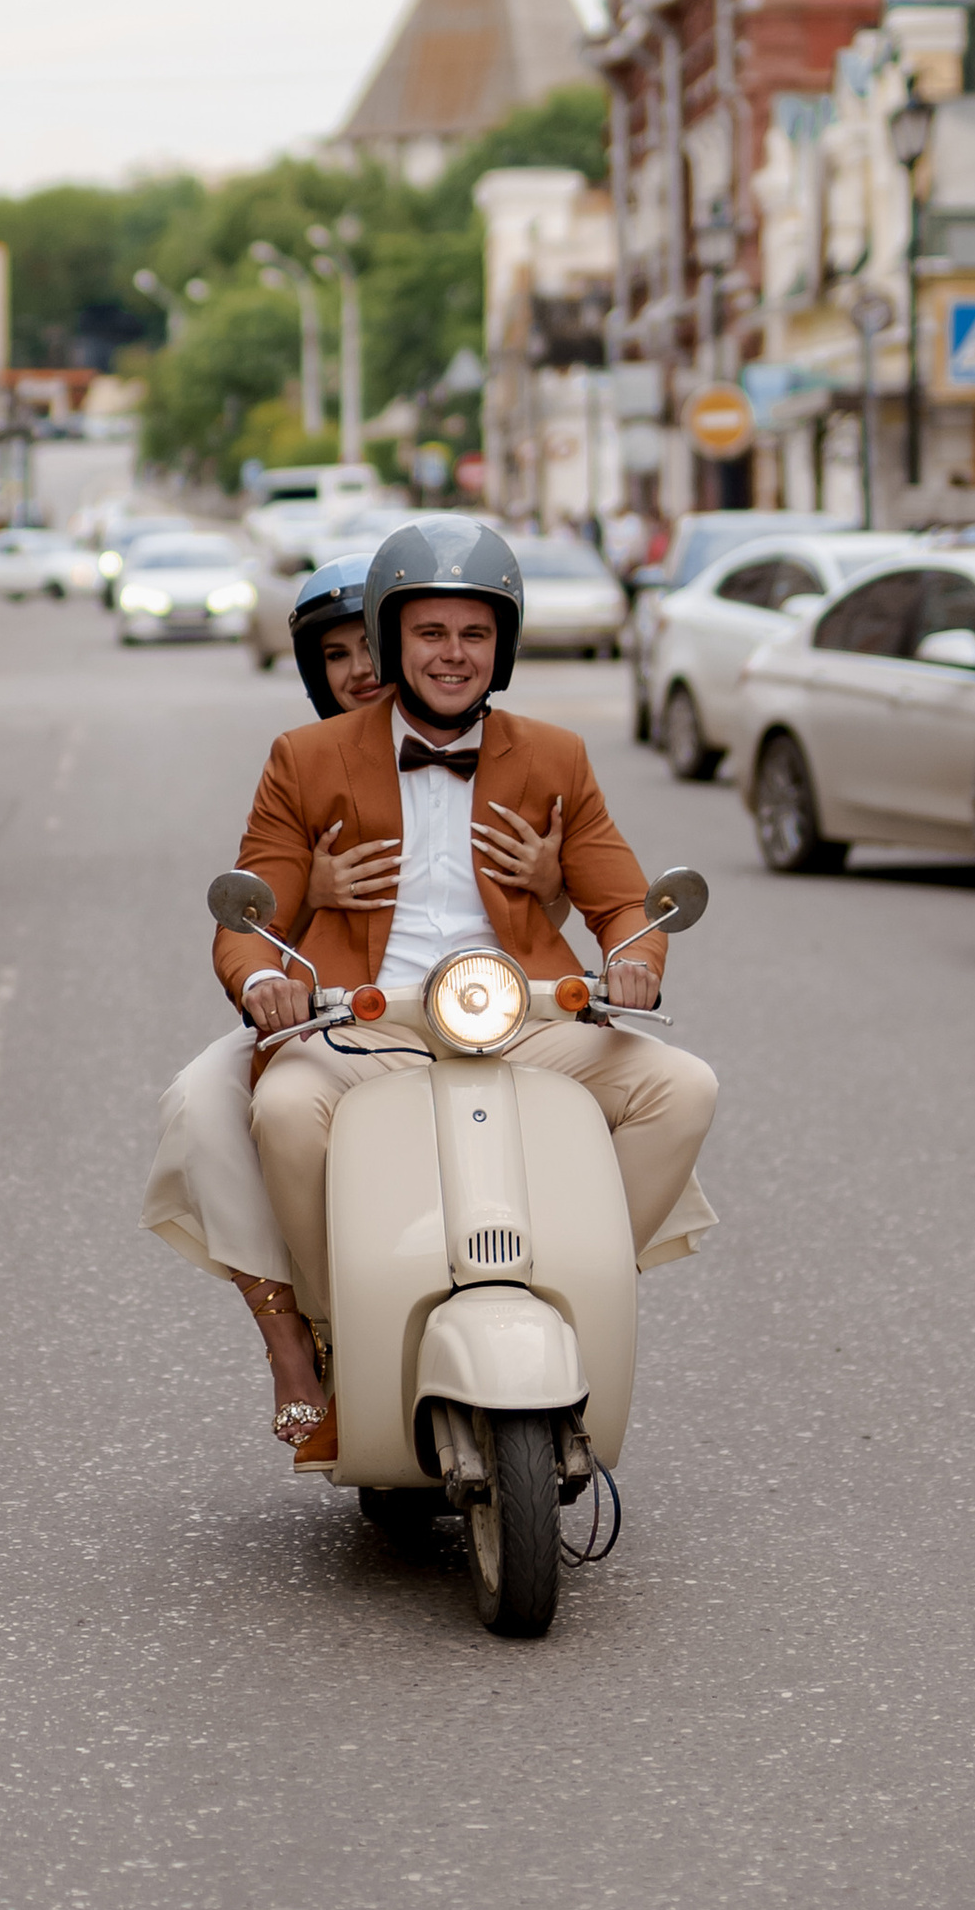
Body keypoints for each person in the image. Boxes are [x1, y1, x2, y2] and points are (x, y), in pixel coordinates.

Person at [218, 516, 717, 1461]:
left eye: (476, 634)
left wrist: (638, 956)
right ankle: (341, 1322)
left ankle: (580, 1280)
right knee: (283, 1112)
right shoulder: (307, 757)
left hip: (521, 1010)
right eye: (432, 634)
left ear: (506, 646)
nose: (454, 656)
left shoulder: (557, 757)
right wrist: (261, 985)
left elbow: (620, 898)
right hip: (367, 1018)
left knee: (682, 1088)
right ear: (394, 641)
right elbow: (251, 914)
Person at [142, 549, 576, 1450]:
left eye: (368, 652)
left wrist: (554, 874)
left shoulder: (495, 746)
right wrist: (311, 897)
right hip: (328, 1014)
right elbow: (253, 909)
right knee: (212, 1108)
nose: (361, 674)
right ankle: (298, 1335)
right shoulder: (308, 765)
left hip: (479, 1004)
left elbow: (531, 900)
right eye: (335, 658)